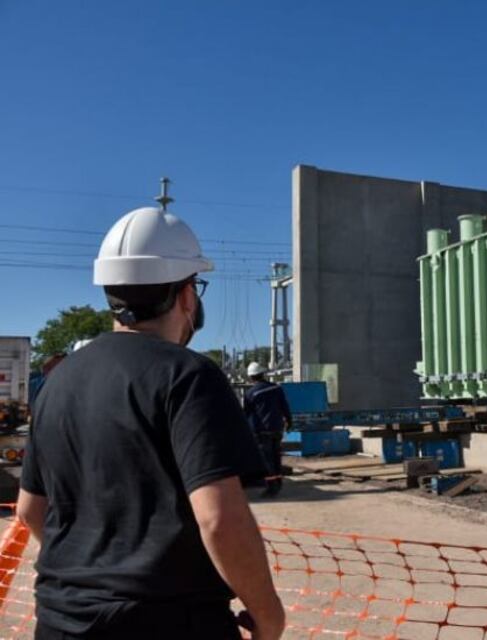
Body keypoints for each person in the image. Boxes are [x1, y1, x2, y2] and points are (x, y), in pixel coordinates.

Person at [16, 207, 285, 640]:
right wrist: (268, 615)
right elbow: (219, 519)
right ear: (186, 296)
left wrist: (88, 580)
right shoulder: (189, 375)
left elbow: (31, 511)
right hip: (169, 622)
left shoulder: (57, 381)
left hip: (61, 622)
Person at [243, 362, 292, 497]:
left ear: (251, 377)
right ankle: (279, 482)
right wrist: (289, 421)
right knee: (276, 456)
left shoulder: (250, 393)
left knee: (267, 460)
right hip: (277, 429)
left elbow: (246, 414)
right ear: (263, 374)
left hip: (261, 431)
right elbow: (284, 406)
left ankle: (272, 487)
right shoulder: (276, 388)